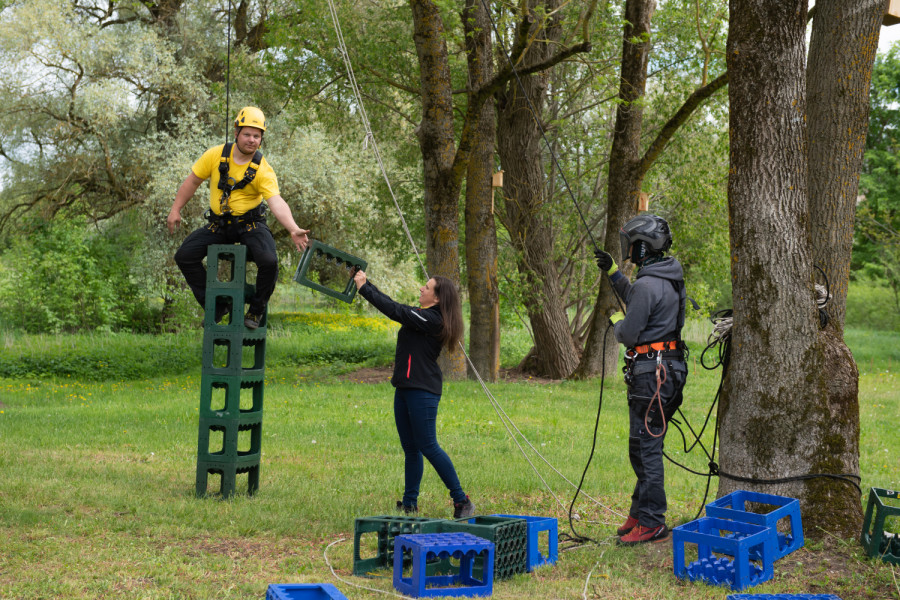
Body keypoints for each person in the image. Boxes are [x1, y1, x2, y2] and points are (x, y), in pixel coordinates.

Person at [167, 106, 310, 329]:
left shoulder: (263, 169)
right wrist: (175, 209)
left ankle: (256, 310)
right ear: (236, 133)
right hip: (219, 225)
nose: (252, 140)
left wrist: (293, 228)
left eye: (256, 136)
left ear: (261, 138)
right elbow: (192, 181)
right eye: (247, 134)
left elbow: (275, 201)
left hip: (250, 226)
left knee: (269, 261)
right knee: (184, 256)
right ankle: (215, 305)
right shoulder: (215, 155)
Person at [594, 213, 688, 545]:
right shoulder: (668, 277)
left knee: (646, 449)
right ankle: (640, 512)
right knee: (642, 446)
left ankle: (652, 522)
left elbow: (629, 333)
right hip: (668, 370)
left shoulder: (649, 283)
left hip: (653, 374)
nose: (629, 251)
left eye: (632, 246)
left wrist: (617, 322)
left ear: (644, 247)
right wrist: (613, 273)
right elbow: (638, 297)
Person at [353, 269, 475, 519]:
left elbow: (396, 311)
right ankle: (409, 504)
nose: (421, 288)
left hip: (423, 390)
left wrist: (366, 288)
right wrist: (366, 283)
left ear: (438, 298)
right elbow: (398, 309)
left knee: (428, 445)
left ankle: (461, 500)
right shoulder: (422, 315)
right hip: (405, 388)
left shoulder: (434, 320)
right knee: (411, 448)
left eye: (427, 287)